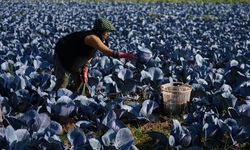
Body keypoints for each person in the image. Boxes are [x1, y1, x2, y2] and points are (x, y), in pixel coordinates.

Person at [53, 17, 136, 93]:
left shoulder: (98, 39)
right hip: (62, 54)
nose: (108, 34)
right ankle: (55, 97)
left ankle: (80, 98)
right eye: (106, 31)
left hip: (76, 56)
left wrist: (85, 69)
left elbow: (90, 54)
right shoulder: (92, 38)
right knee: (63, 80)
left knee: (81, 79)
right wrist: (125, 55)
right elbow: (108, 52)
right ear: (100, 31)